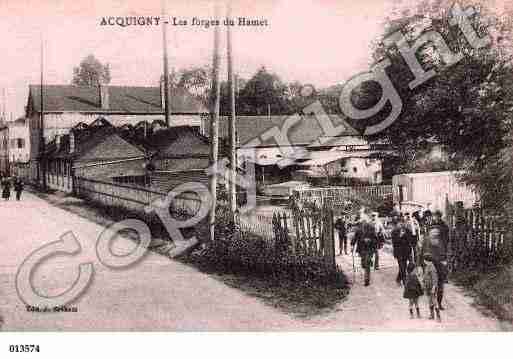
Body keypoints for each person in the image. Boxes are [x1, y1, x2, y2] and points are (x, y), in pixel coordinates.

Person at [420, 210, 449, 311]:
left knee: (439, 283)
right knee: (435, 283)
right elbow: (423, 247)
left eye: (438, 216)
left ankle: (438, 303)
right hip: (434, 259)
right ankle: (435, 303)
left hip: (439, 259)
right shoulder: (431, 228)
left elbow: (446, 243)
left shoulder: (443, 228)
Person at [351, 213, 378, 286]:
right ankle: (367, 265)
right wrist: (352, 245)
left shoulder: (372, 228)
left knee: (367, 263)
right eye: (362, 221)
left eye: (364, 221)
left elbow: (376, 238)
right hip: (361, 248)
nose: (363, 222)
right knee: (363, 264)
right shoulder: (359, 229)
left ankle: (367, 279)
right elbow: (354, 238)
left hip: (369, 248)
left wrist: (370, 240)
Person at [390, 211, 413, 286]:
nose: (402, 225)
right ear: (398, 224)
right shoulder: (394, 231)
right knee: (402, 266)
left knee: (404, 266)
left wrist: (410, 253)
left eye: (403, 223)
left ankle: (398, 279)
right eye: (400, 223)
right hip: (398, 251)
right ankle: (404, 281)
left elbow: (410, 241)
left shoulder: (408, 231)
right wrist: (400, 236)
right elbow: (394, 242)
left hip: (406, 251)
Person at [423, 254, 441, 321]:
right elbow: (425, 276)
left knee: (434, 301)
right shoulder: (427, 266)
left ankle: (438, 316)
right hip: (428, 287)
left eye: (424, 260)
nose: (424, 261)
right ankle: (432, 315)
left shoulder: (432, 268)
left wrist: (434, 287)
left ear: (427, 260)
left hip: (432, 287)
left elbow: (435, 279)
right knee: (430, 301)